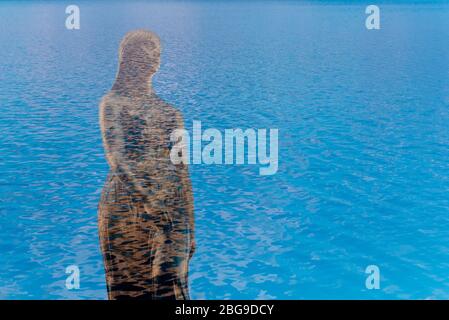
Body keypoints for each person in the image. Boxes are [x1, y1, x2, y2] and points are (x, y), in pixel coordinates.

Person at [98, 30, 195, 300]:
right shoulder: (113, 103)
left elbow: (181, 170)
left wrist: (190, 226)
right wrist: (149, 202)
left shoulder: (170, 112)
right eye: (146, 50)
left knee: (173, 290)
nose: (154, 56)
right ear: (128, 58)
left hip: (171, 213)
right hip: (126, 211)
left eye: (156, 51)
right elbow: (118, 159)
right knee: (129, 289)